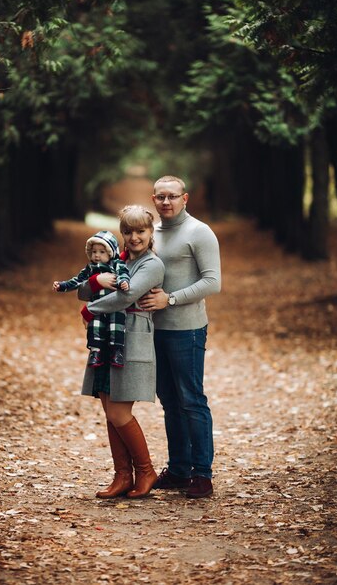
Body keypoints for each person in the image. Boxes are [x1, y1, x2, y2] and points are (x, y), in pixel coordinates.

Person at [138, 175, 221, 499]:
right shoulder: (152, 233)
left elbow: (212, 282)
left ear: (185, 198)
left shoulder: (199, 232)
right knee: (170, 402)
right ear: (154, 199)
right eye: (160, 197)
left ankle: (202, 475)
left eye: (172, 196)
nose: (166, 202)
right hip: (152, 330)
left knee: (191, 400)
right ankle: (178, 469)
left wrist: (169, 299)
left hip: (186, 330)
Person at [78, 205, 165, 499]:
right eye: (128, 231)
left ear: (151, 232)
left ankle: (145, 470)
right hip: (105, 340)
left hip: (131, 341)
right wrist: (95, 282)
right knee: (109, 410)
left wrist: (91, 308)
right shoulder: (116, 260)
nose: (134, 237)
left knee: (119, 411)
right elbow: (82, 288)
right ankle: (122, 476)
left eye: (141, 231)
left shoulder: (152, 265)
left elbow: (126, 295)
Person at [53, 230, 130, 368]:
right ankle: (96, 352)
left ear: (110, 253)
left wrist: (123, 282)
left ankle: (117, 352)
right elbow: (77, 281)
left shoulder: (117, 264)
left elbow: (123, 274)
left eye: (102, 252)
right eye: (94, 252)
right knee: (95, 327)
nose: (97, 255)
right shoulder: (90, 268)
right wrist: (62, 286)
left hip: (115, 305)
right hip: (98, 305)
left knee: (116, 326)